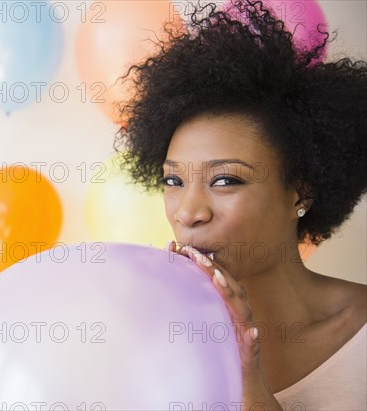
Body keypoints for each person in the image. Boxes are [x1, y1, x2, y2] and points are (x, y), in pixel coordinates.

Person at [114, 0, 367, 409]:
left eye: (225, 180)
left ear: (300, 193)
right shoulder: (162, 345)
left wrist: (248, 380)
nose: (188, 212)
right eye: (174, 180)